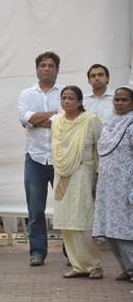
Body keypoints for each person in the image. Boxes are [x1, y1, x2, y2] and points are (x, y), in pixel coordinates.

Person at [51, 86, 103, 279]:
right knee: (66, 219)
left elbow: (101, 148)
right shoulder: (57, 121)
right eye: (63, 98)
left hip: (82, 172)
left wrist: (98, 175)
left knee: (82, 218)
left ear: (80, 101)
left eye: (70, 98)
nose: (66, 101)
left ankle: (94, 265)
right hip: (62, 174)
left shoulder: (91, 120)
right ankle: (78, 265)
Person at [18, 51, 62, 266]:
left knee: (65, 207)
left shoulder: (66, 92)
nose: (46, 69)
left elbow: (66, 120)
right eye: (43, 65)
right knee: (35, 209)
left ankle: (70, 253)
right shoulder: (27, 94)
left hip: (61, 158)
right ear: (37, 69)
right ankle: (37, 251)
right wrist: (53, 115)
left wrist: (36, 119)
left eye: (50, 65)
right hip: (34, 158)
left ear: (57, 69)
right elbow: (23, 118)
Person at [93, 86, 133, 282]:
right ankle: (126, 267)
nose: (119, 103)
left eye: (124, 100)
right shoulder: (110, 125)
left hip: (126, 186)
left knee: (124, 230)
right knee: (109, 230)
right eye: (116, 100)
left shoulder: (132, 125)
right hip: (107, 186)